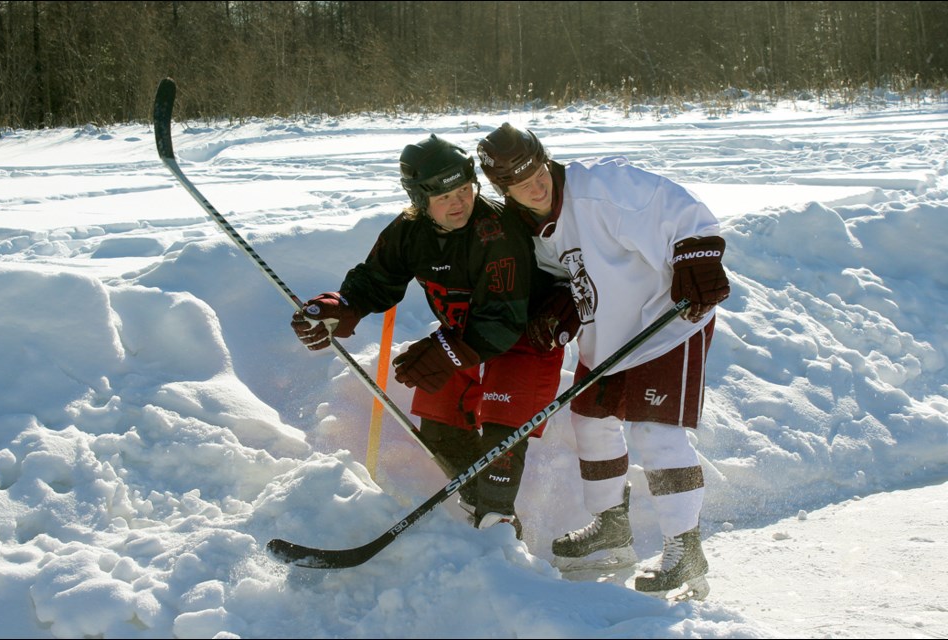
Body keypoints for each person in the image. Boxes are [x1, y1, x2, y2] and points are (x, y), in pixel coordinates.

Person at [476, 123, 730, 600]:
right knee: (590, 420)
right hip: (610, 336)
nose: (534, 186)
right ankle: (612, 528)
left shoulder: (601, 188)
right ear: (501, 189)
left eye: (537, 172)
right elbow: (565, 276)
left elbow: (681, 211)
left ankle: (685, 549)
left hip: (668, 320)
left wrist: (698, 256)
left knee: (655, 430)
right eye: (518, 183)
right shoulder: (529, 225)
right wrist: (559, 307)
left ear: (545, 158)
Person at [290, 133, 567, 538]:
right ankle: (477, 500)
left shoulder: (495, 233)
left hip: (525, 334)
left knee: (500, 429)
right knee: (439, 420)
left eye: (465, 189)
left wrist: (448, 350)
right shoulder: (409, 231)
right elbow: (375, 280)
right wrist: (340, 307)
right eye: (444, 197)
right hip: (464, 335)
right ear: (421, 201)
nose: (459, 203)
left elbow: (503, 321)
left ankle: (498, 526)